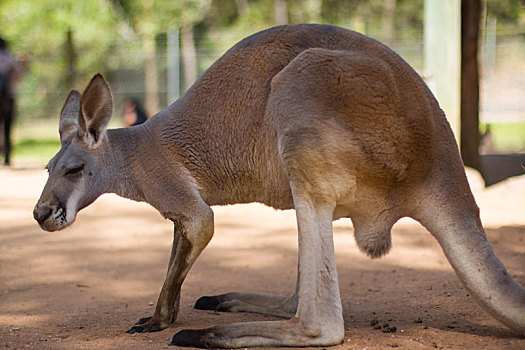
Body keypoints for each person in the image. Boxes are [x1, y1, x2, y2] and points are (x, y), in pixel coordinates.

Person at [0, 37, 21, 165]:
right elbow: (18, 77)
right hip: (8, 98)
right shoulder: (11, 59)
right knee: (8, 127)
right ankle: (7, 155)